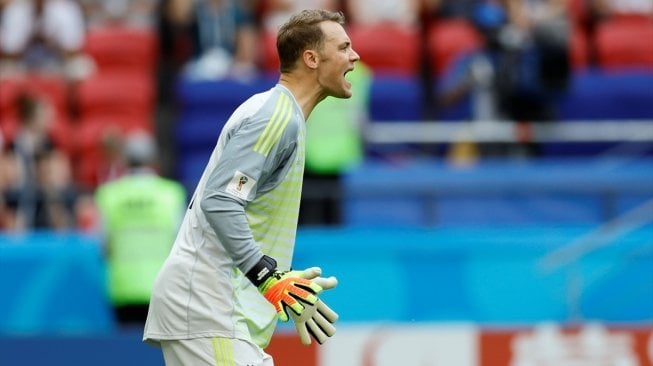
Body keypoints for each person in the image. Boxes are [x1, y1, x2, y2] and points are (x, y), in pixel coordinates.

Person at [143, 9, 359, 365]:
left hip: (216, 309)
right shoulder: (276, 117)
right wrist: (267, 277)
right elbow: (219, 200)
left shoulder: (282, 116)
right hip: (208, 305)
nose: (355, 56)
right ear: (311, 58)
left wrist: (282, 284)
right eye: (344, 47)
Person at [95, 130, 187, 327]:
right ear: (153, 160)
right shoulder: (171, 194)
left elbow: (102, 246)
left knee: (125, 354)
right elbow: (181, 243)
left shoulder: (109, 194)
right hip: (161, 287)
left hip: (122, 288)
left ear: (125, 160)